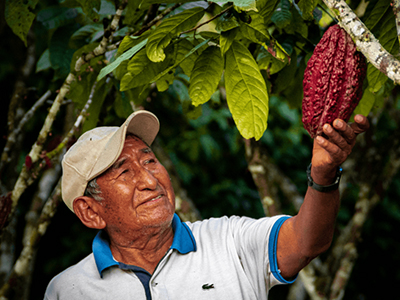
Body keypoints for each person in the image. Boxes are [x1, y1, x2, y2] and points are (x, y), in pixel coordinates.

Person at [44, 110, 369, 300]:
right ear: (90, 211)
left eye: (150, 160)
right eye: (125, 172)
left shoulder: (229, 241)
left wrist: (322, 176)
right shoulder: (67, 290)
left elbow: (306, 241)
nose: (150, 179)